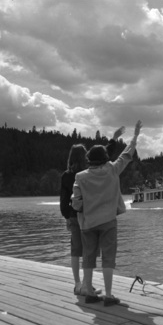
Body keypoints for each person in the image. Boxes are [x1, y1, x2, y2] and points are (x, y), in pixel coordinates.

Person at [71, 120, 142, 306]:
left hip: (88, 223)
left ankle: (89, 292)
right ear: (105, 158)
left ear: (89, 161)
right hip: (108, 221)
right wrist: (135, 136)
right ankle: (109, 295)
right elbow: (127, 154)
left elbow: (75, 202)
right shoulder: (112, 170)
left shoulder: (80, 177)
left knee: (88, 256)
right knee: (108, 257)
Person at [59, 126, 125, 296]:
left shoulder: (68, 175)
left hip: (76, 218)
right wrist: (114, 138)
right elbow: (105, 154)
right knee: (90, 253)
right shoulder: (89, 172)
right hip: (88, 218)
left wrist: (68, 216)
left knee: (77, 251)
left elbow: (63, 202)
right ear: (85, 157)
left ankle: (79, 284)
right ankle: (89, 286)